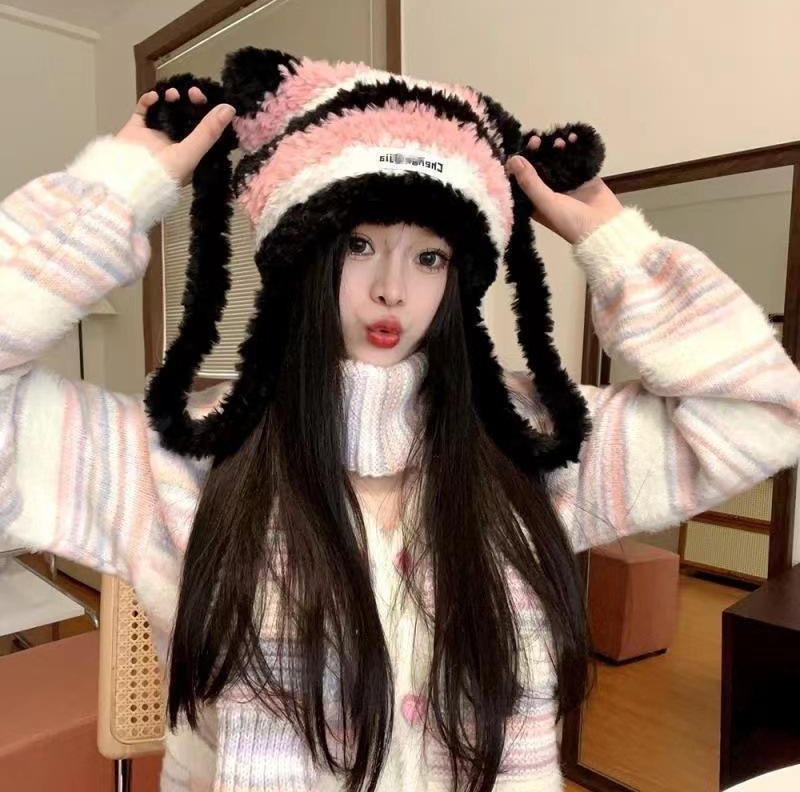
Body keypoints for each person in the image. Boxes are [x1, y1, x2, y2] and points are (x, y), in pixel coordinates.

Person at [1, 63, 799, 792]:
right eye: (359, 245)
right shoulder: (177, 456)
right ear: (303, 256)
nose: (393, 290)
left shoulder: (534, 442)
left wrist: (612, 240)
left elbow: (764, 414)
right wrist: (115, 187)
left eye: (429, 258)